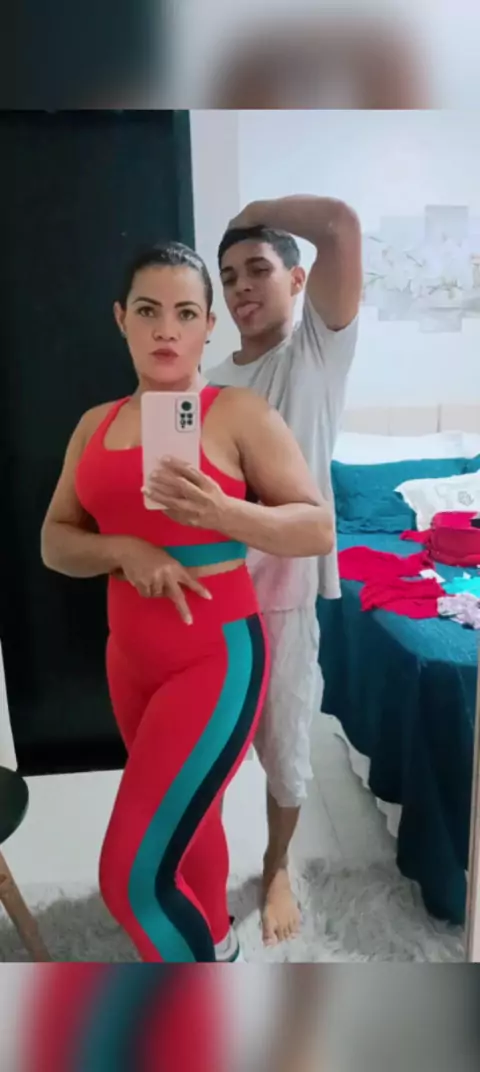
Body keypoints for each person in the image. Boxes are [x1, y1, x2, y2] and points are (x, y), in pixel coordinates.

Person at [40, 241, 334, 963]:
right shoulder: (95, 424)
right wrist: (124, 550)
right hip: (129, 660)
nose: (166, 330)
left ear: (209, 325)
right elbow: (55, 542)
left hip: (215, 657)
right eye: (148, 312)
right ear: (121, 320)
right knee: (192, 825)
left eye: (184, 313)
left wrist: (224, 513)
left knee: (131, 879)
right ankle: (219, 947)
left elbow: (317, 527)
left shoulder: (238, 414)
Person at [211, 195, 362, 945]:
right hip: (211, 597)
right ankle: (203, 869)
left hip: (284, 597)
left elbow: (339, 227)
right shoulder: (205, 382)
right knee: (206, 753)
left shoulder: (314, 354)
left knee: (285, 752)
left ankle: (276, 867)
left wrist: (254, 211)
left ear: (297, 280)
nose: (241, 287)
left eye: (258, 269)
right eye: (228, 276)